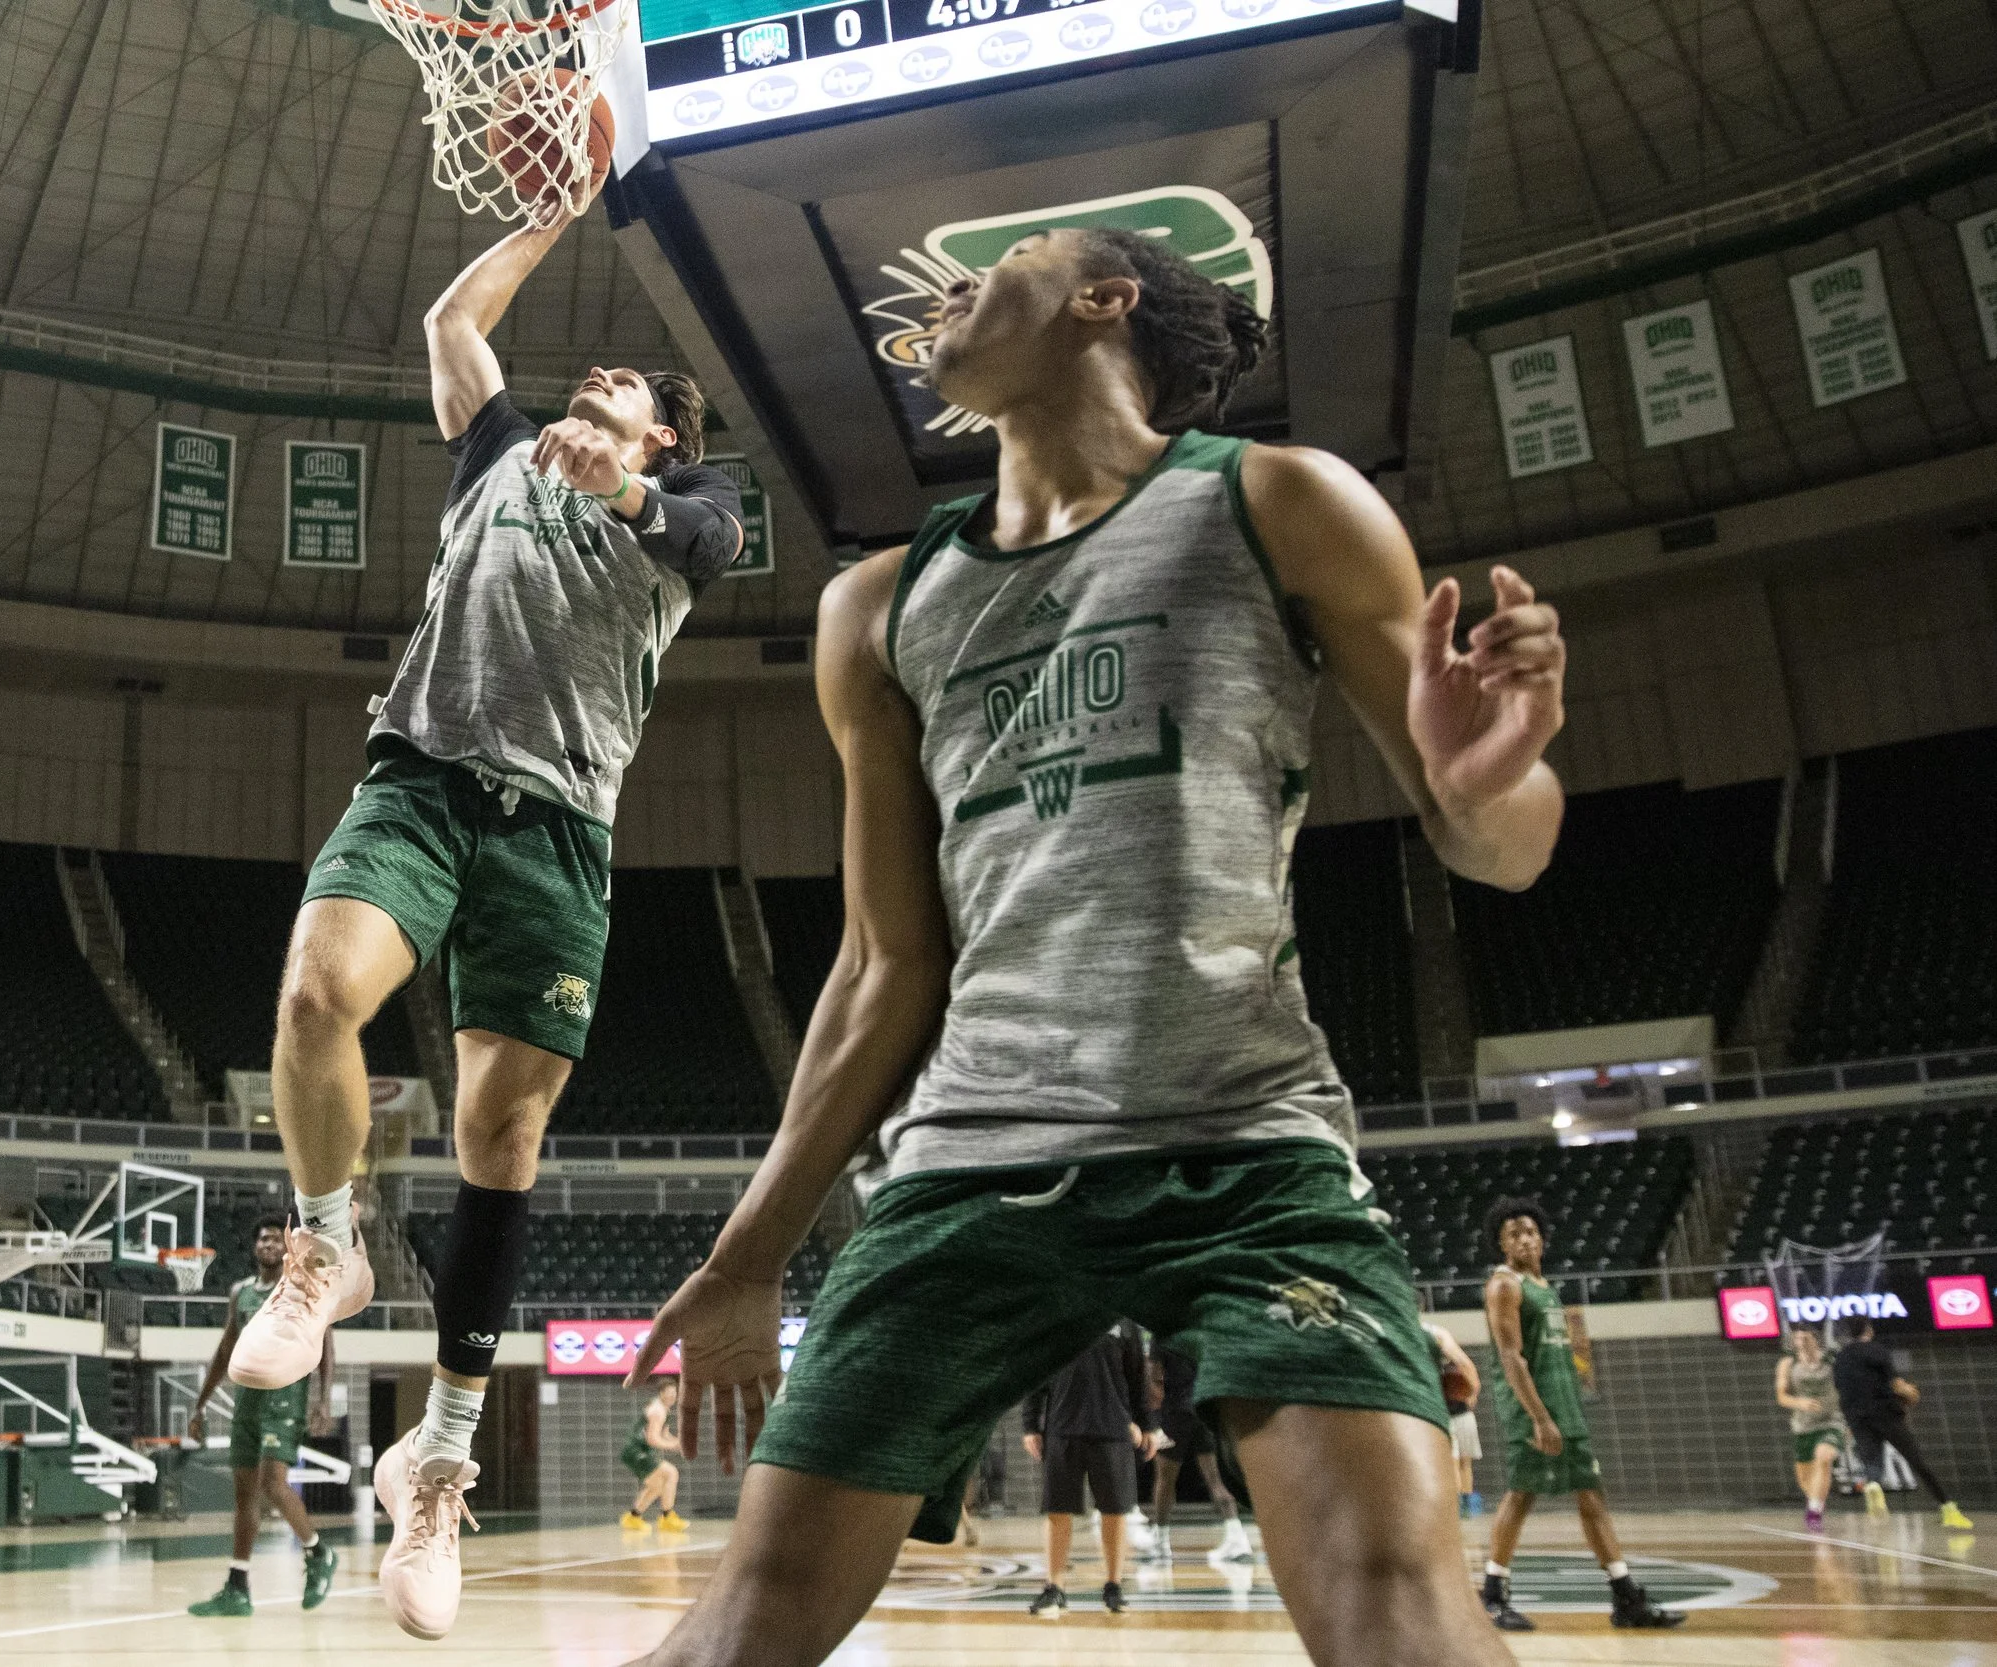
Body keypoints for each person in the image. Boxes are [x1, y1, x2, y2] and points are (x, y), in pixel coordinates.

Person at [619, 221, 1575, 1667]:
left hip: (1250, 1148)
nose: (942, 290)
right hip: (968, 1161)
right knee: (739, 1628)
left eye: (992, 264)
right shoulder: (875, 604)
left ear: (1104, 299)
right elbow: (887, 966)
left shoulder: (1282, 499)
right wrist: (750, 1252)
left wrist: (1489, 775)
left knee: (1401, 1616)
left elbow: (1497, 848)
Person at [226, 184, 744, 1643]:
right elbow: (454, 325)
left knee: (497, 1141)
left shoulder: (685, 504)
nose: (594, 386)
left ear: (663, 432)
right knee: (320, 992)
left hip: (561, 832)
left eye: (624, 388)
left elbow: (708, 542)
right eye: (588, 378)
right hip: (425, 778)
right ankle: (326, 1243)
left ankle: (440, 1456)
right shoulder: (499, 450)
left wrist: (625, 483)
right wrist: (549, 214)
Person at [1478, 1198, 1681, 1631]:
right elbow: (1511, 1358)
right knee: (1520, 1494)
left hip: (1563, 1407)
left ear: (1543, 1240)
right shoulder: (1504, 1286)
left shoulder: (1545, 1288)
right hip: (1532, 1412)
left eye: (1531, 1231)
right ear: (1501, 1243)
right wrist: (1539, 1417)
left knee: (1590, 1495)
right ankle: (1492, 1595)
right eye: (1514, 1233)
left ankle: (1625, 1596)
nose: (1525, 1238)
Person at [185, 1223, 338, 1616]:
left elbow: (325, 1342)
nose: (268, 1243)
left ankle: (318, 1552)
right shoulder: (241, 1293)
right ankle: (237, 1587)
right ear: (255, 1246)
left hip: (284, 1399)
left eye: (275, 1237)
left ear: (286, 1246)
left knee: (274, 1484)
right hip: (247, 1404)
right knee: (244, 1496)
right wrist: (201, 1404)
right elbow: (224, 1350)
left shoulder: (300, 1285)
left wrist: (323, 1400)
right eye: (262, 1238)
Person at [1021, 1324, 1158, 1616]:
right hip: (1062, 1428)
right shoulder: (1057, 1315)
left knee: (1115, 1511)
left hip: (1112, 1429)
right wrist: (1030, 1424)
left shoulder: (1123, 1322)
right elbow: (1034, 1373)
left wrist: (1147, 1424)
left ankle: (1114, 1586)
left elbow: (1137, 1378)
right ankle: (1054, 1588)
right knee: (1057, 1510)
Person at [1834, 1318, 1971, 1528]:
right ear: (1868, 1330)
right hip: (1885, 1412)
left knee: (1872, 1461)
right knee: (1916, 1460)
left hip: (1856, 1416)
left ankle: (1873, 1485)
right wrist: (1911, 1394)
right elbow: (1896, 1384)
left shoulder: (1840, 1359)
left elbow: (1840, 1390)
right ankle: (1948, 1509)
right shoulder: (1877, 1350)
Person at [1144, 1344, 1250, 1564]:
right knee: (1214, 1478)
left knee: (1165, 1480)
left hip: (1175, 1413)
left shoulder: (1163, 1332)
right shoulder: (1199, 1326)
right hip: (1203, 1408)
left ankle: (1160, 1542)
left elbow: (1153, 1376)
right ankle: (1236, 1537)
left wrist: (1152, 1416)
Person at [1777, 1327, 1848, 1532]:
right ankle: (1816, 1500)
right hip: (1804, 1425)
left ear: (1815, 1339)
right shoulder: (1788, 1363)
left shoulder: (1831, 1360)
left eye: (1805, 1337)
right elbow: (1781, 1397)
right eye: (1797, 1338)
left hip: (1832, 1420)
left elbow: (1847, 1385)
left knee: (1824, 1457)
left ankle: (1814, 1512)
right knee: (1805, 1480)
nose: (1801, 1341)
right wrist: (1799, 1402)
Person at [1422, 1317, 1485, 1518]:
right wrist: (1474, 1391)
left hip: (1441, 1411)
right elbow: (1465, 1363)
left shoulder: (1423, 1333)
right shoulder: (1437, 1334)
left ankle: (1457, 1506)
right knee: (1461, 1463)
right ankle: (1461, 1506)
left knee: (1455, 1462)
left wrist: (1472, 1391)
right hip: (1452, 1412)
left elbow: (1463, 1363)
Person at [622, 1380, 691, 1532]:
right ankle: (667, 1518)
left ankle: (633, 1517)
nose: (673, 1396)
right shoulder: (657, 1410)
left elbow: (663, 1434)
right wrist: (673, 1446)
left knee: (658, 1486)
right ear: (661, 1393)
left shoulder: (665, 1409)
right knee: (671, 1472)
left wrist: (678, 1443)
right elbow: (652, 1439)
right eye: (669, 1393)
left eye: (674, 1393)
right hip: (637, 1451)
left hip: (639, 1451)